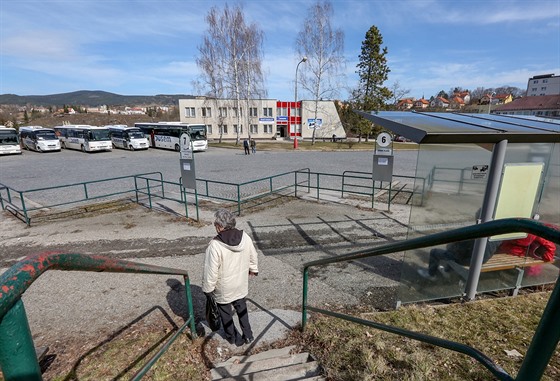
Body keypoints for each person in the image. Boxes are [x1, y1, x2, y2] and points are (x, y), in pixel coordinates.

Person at [202, 209, 259, 345]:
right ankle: (248, 335)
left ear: (220, 226)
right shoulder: (244, 236)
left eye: (215, 224)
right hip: (240, 282)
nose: (215, 226)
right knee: (242, 309)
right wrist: (253, 269)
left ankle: (233, 338)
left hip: (224, 286)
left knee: (225, 313)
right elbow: (253, 255)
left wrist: (208, 289)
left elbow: (211, 270)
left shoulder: (215, 245)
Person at [417, 209, 498, 280]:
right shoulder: (496, 230)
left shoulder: (475, 233)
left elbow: (459, 252)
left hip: (472, 260)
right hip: (485, 259)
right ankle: (447, 271)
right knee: (454, 253)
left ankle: (431, 274)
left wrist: (450, 246)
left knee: (436, 252)